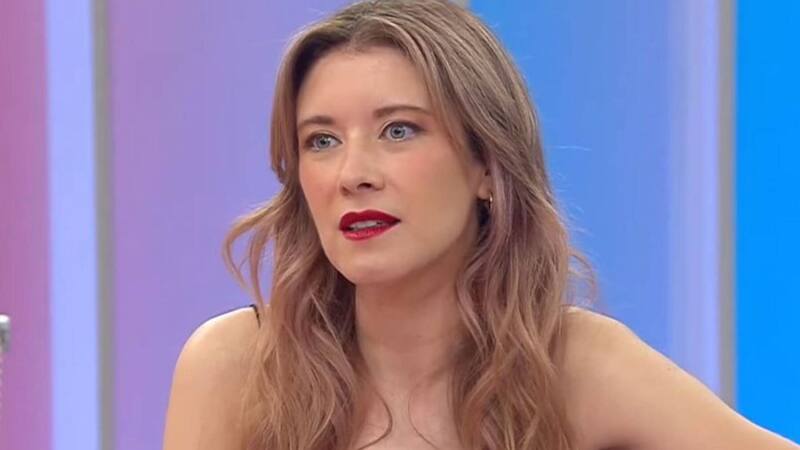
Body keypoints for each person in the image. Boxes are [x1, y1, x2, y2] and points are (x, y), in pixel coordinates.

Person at [162, 1, 800, 449]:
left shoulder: (576, 366)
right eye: (321, 141)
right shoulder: (235, 369)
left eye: (398, 130)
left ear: (486, 168)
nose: (352, 174)